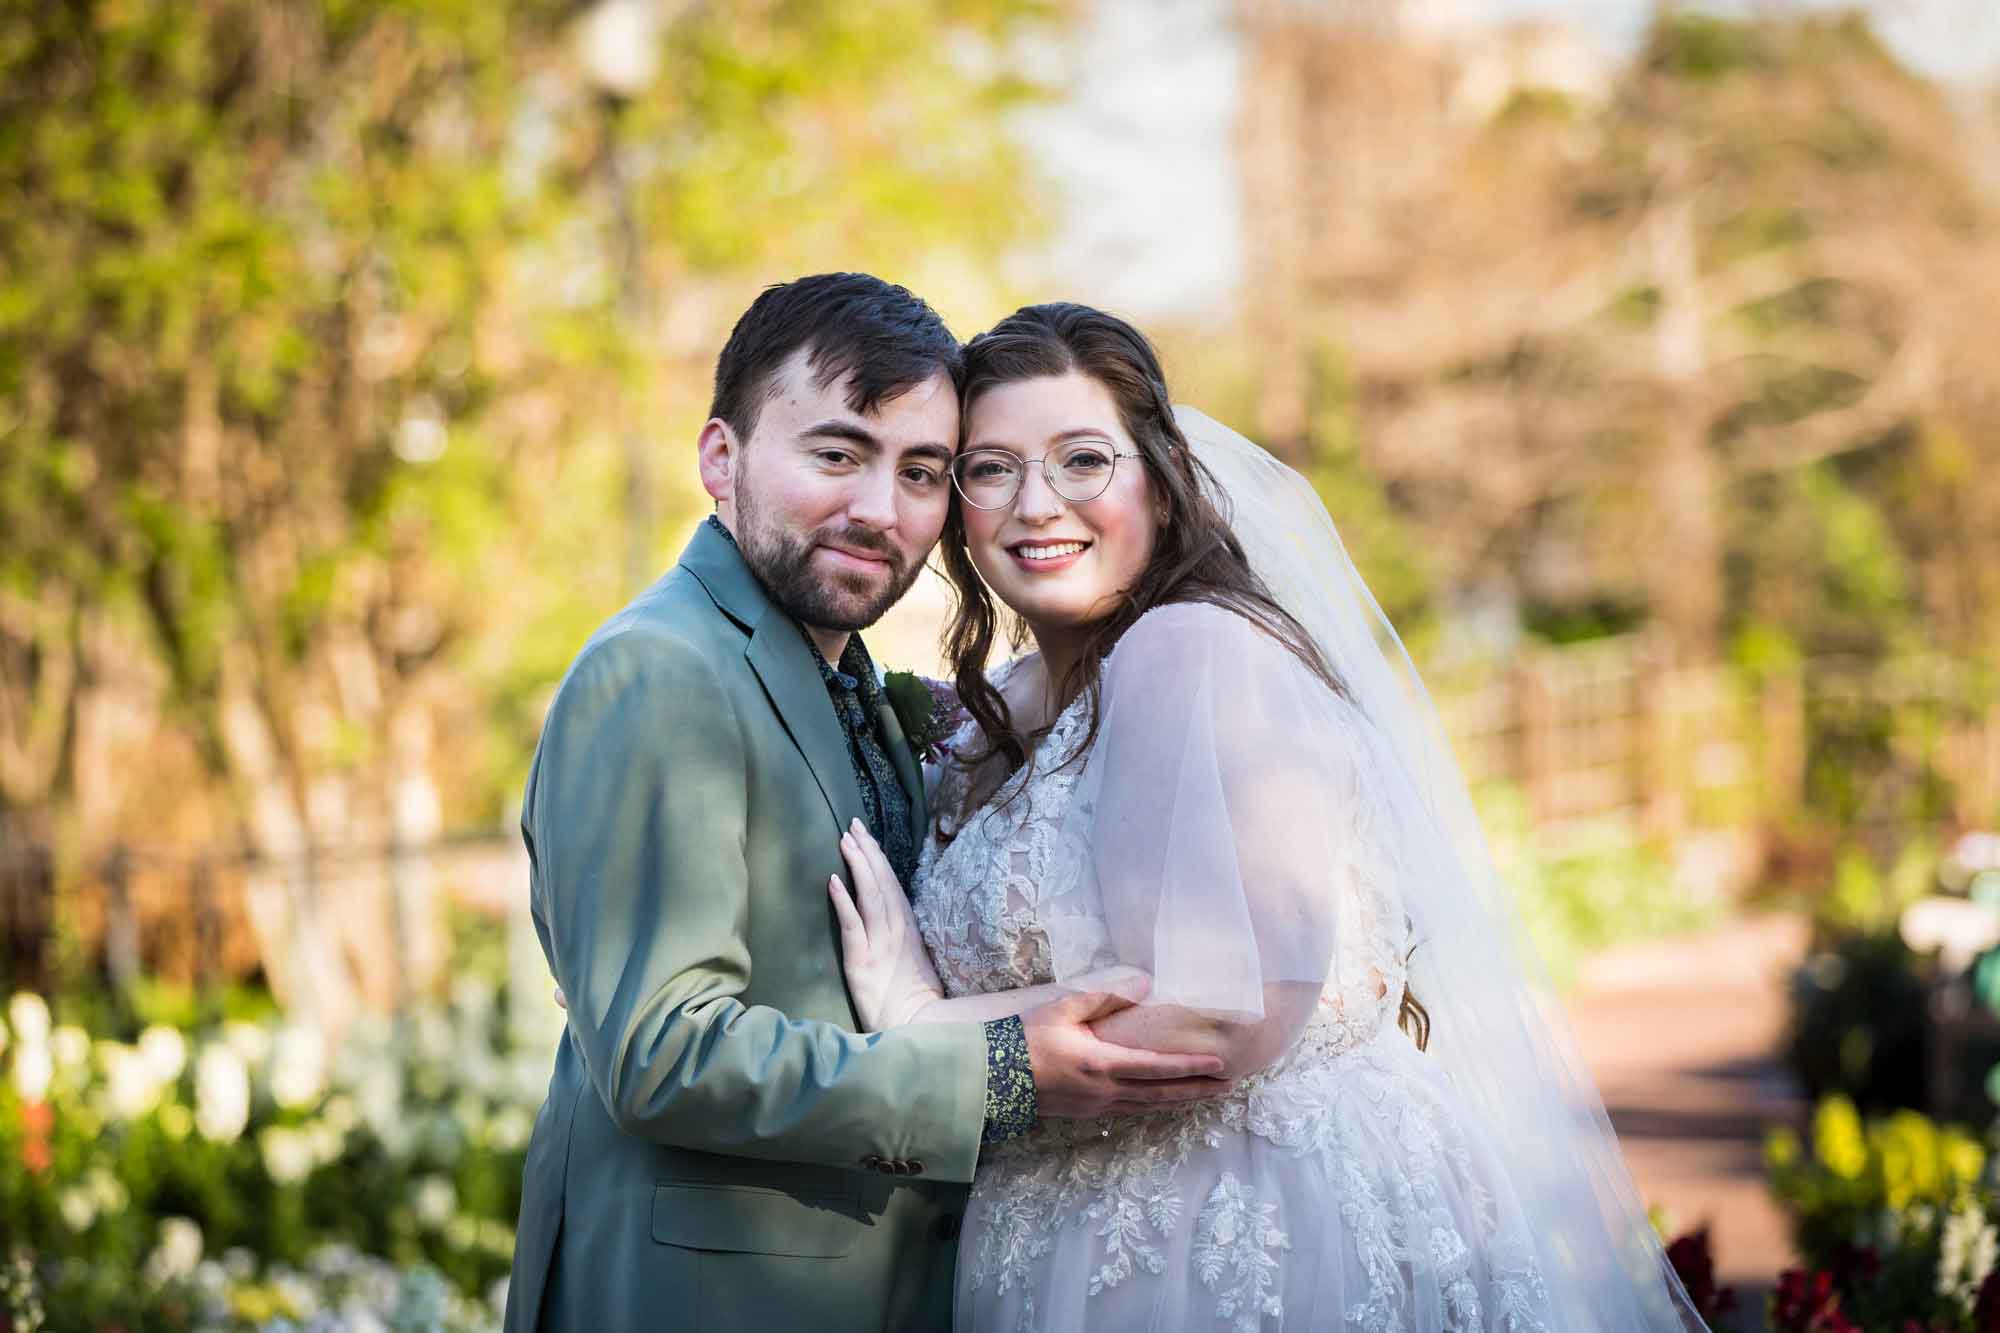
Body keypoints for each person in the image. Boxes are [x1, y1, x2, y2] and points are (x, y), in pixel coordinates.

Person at [829, 302, 1712, 1331]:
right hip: (1057, 1238)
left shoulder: (1188, 652)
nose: (1036, 503)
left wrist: (922, 1028)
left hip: (1242, 1235)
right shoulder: (1003, 712)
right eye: (990, 468)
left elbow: (1216, 1017)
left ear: (1156, 477)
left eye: (1081, 459)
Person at [505, 275, 1229, 1333]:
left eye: (922, 471)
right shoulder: (660, 673)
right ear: (721, 458)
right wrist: (993, 1070)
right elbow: (662, 1055)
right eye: (836, 454)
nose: (879, 509)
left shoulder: (847, 682)